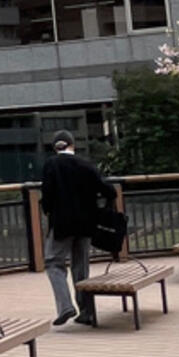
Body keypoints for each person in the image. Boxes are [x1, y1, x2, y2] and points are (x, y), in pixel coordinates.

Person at [40, 131, 120, 327]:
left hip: (62, 224)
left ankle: (65, 306)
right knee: (81, 267)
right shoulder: (86, 165)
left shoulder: (51, 165)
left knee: (53, 263)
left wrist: (48, 210)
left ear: (55, 147)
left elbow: (47, 196)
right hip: (86, 224)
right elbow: (109, 191)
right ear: (72, 145)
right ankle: (86, 312)